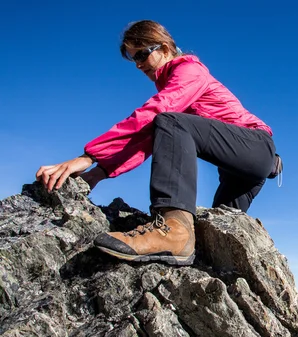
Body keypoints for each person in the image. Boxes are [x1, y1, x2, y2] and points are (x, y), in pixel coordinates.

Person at [36, 20, 279, 266]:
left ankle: (172, 229)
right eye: (134, 59)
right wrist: (99, 172)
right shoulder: (175, 84)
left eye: (142, 54)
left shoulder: (189, 71)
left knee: (170, 121)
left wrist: (88, 156)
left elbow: (157, 113)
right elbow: (148, 140)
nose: (139, 64)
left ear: (164, 48)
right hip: (241, 170)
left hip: (256, 146)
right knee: (212, 241)